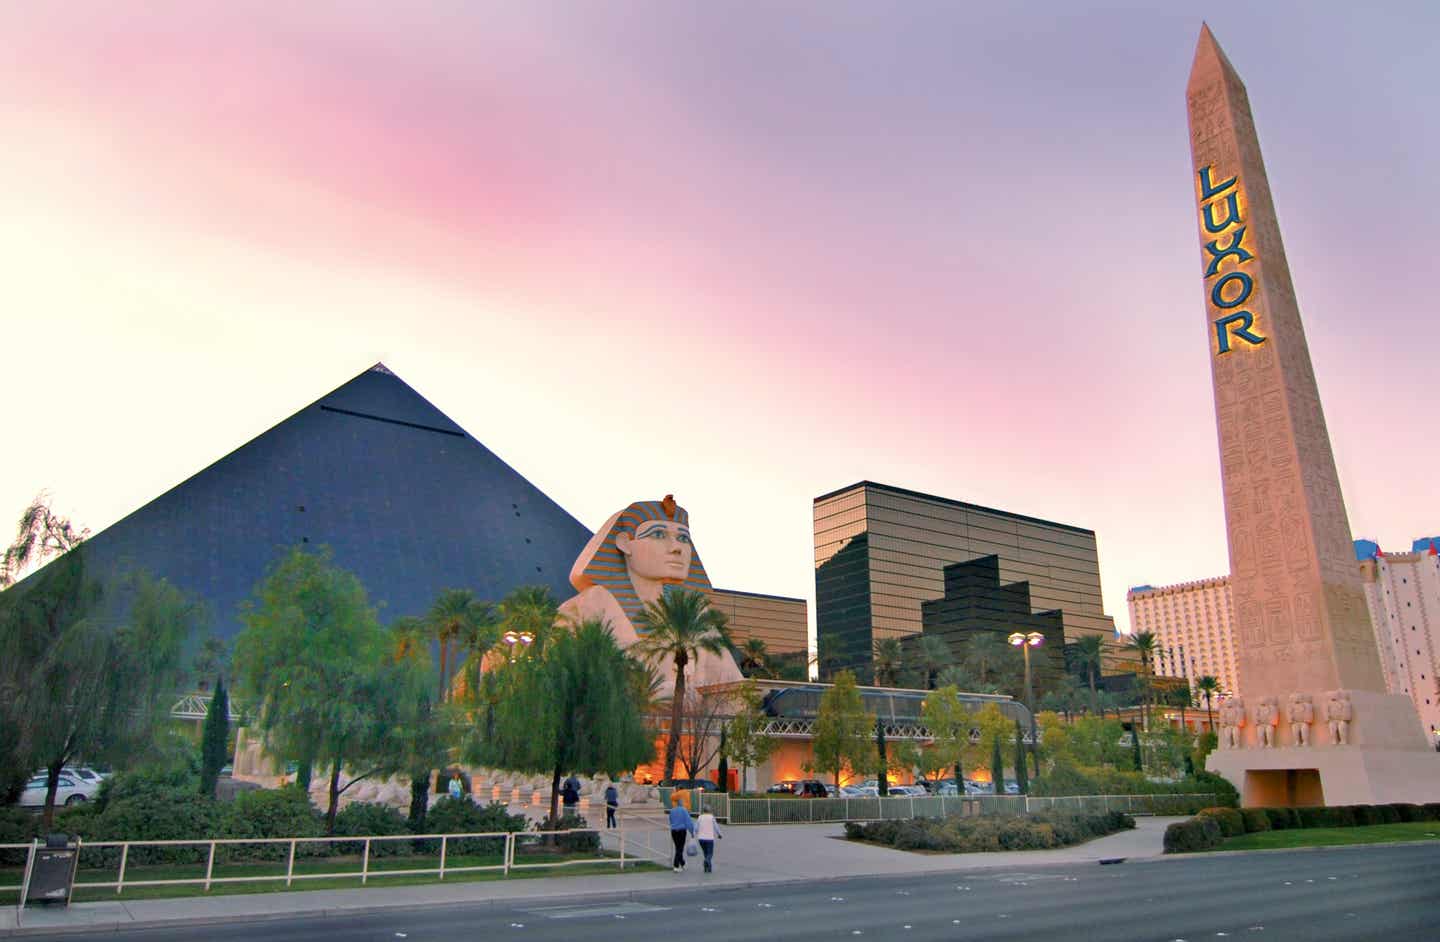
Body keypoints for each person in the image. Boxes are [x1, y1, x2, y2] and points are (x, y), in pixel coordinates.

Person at [557, 496, 745, 699]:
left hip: (691, 724)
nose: (676, 547)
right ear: (625, 544)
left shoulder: (692, 612)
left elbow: (731, 687)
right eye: (658, 534)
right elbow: (566, 679)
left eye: (683, 538)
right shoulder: (586, 606)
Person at [667, 801, 695, 872]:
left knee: (678, 848)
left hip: (673, 831)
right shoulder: (684, 810)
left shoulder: (672, 810)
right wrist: (692, 832)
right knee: (680, 848)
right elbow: (688, 822)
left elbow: (670, 820)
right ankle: (676, 865)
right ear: (682, 804)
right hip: (681, 831)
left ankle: (683, 863)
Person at [695, 809, 722, 873]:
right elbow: (716, 827)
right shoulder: (711, 817)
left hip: (701, 839)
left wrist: (694, 833)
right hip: (709, 838)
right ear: (709, 811)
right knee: (710, 853)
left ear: (703, 811)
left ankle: (708, 867)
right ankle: (707, 861)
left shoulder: (700, 817)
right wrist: (719, 834)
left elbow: (696, 828)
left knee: (705, 852)